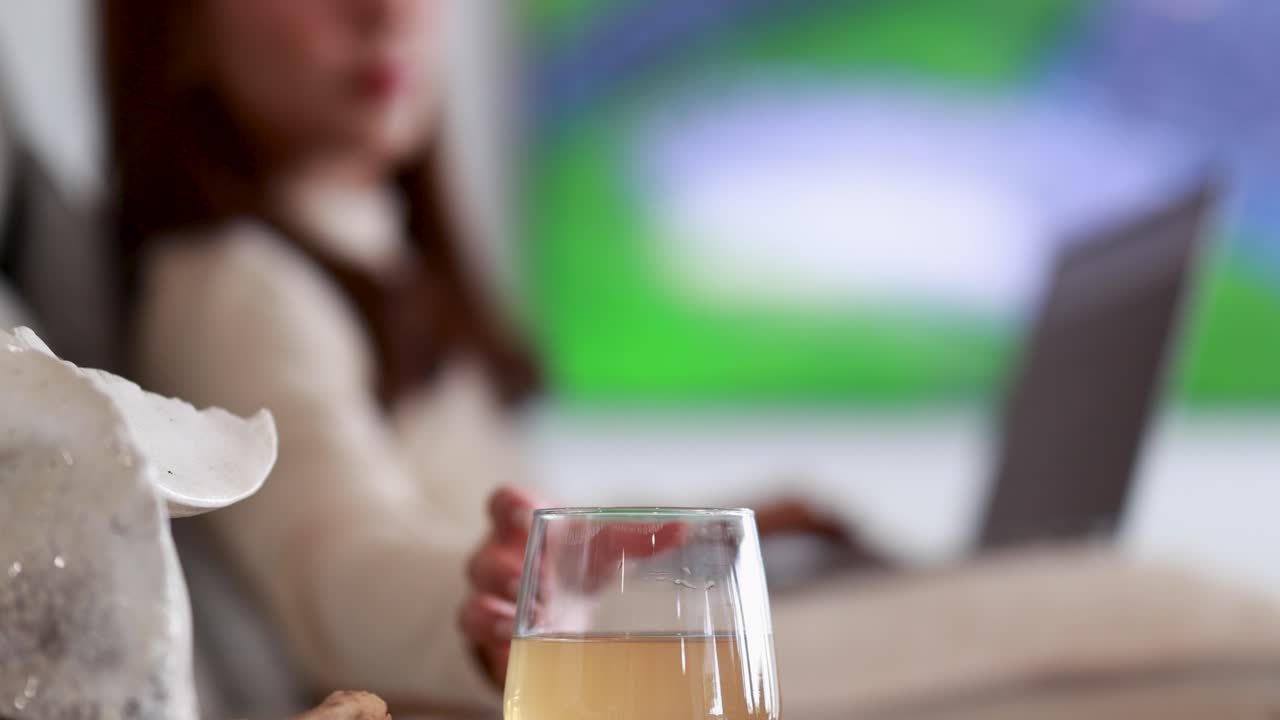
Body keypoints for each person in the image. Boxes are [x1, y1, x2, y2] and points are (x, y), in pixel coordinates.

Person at [103, 0, 852, 711]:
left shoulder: (376, 258)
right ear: (182, 29)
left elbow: (475, 512)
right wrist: (486, 611)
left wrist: (689, 537)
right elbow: (330, 557)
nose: (385, 12)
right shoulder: (234, 286)